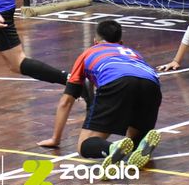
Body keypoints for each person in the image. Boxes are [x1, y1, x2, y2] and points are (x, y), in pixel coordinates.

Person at [38, 20, 162, 170]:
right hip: (152, 84)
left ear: (95, 41)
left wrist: (55, 138)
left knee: (84, 145)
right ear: (121, 42)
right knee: (134, 137)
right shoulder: (133, 53)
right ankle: (141, 142)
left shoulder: (89, 53)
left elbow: (66, 101)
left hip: (117, 81)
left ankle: (113, 148)